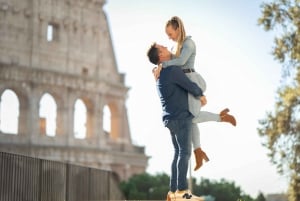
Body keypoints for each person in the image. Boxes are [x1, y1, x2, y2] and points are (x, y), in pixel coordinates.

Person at [152, 16, 236, 171]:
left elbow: (181, 62)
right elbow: (167, 63)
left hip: (191, 80)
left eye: (170, 33)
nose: (168, 37)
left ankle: (221, 118)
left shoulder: (188, 43)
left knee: (193, 117)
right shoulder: (175, 46)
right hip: (184, 82)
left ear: (178, 29)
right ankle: (198, 152)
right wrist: (157, 68)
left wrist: (163, 65)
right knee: (190, 119)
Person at [147, 43, 206, 201]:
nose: (167, 47)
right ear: (161, 56)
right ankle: (181, 192)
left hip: (170, 119)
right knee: (185, 153)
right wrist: (200, 94)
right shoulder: (172, 71)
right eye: (163, 47)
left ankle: (172, 192)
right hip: (180, 118)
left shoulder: (160, 74)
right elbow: (188, 85)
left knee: (177, 153)